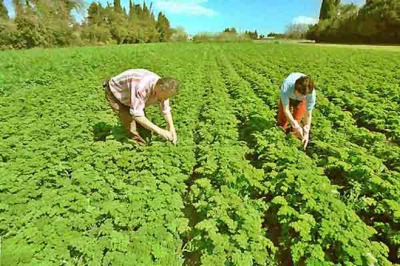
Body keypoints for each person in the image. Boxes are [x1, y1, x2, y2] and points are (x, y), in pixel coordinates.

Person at [103, 69, 181, 145]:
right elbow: (137, 115)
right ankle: (138, 146)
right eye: (165, 96)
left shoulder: (164, 88)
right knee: (130, 124)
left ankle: (147, 140)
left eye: (168, 97)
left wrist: (171, 127)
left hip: (132, 93)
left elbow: (165, 110)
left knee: (143, 126)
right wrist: (160, 131)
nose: (165, 99)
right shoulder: (141, 87)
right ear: (160, 88)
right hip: (117, 92)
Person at [277, 73, 316, 149]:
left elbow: (308, 114)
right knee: (282, 118)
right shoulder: (286, 86)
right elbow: (286, 110)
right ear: (295, 88)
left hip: (302, 101)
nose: (301, 96)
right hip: (288, 96)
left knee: (297, 119)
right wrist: (296, 126)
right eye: (299, 94)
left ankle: (293, 143)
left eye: (303, 95)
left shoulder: (310, 94)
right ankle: (279, 135)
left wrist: (306, 132)